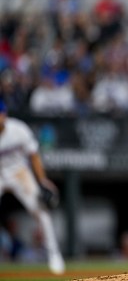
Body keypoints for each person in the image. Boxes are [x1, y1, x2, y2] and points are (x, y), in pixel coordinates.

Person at [0, 100, 65, 274]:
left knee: (41, 211)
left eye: (1, 113)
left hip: (19, 173)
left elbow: (34, 156)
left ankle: (54, 254)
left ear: (5, 114)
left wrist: (42, 180)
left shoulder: (18, 129)